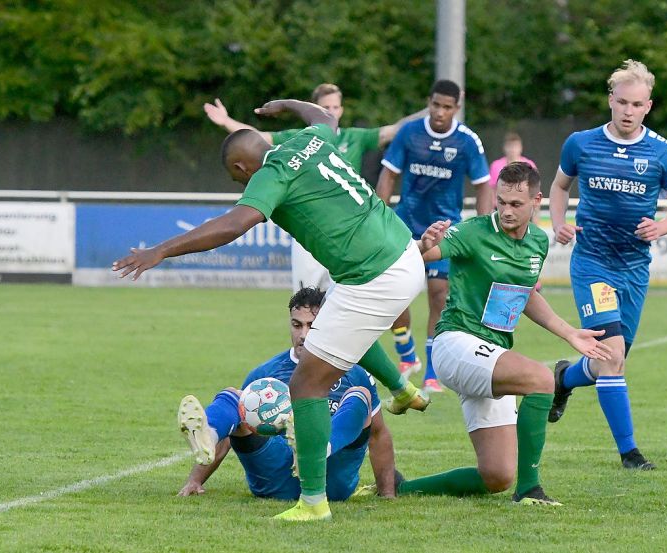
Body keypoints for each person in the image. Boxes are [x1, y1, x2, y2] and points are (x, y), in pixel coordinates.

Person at [114, 98, 430, 521]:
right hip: (403, 254)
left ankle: (314, 503)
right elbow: (325, 117)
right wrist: (289, 105)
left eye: (235, 179)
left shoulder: (269, 175)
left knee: (305, 386)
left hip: (375, 276)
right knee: (334, 328)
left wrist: (161, 250)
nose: (240, 186)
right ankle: (403, 389)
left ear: (244, 170)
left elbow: (231, 225)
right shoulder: (310, 139)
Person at [364, 162, 612, 505]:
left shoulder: (538, 242)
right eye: (501, 202)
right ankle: (530, 491)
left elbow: (524, 295)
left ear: (536, 200)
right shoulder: (474, 231)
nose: (507, 211)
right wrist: (423, 245)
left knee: (496, 476)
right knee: (542, 379)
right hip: (456, 344)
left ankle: (400, 486)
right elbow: (425, 255)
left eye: (516, 204)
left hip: (491, 355)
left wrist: (569, 333)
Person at [205, 84, 429, 374]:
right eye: (328, 106)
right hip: (321, 237)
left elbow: (393, 130)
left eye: (337, 106)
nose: (333, 111)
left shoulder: (353, 137)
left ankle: (399, 358)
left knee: (333, 334)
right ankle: (394, 379)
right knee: (315, 309)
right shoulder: (301, 137)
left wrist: (429, 114)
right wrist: (227, 122)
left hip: (352, 235)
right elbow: (252, 142)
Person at [548, 59, 667, 470]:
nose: (628, 111)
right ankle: (630, 453)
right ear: (610, 100)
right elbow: (559, 186)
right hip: (593, 264)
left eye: (637, 104)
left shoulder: (662, 153)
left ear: (649, 106)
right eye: (622, 102)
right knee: (611, 356)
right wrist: (559, 224)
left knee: (611, 360)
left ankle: (563, 379)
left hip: (634, 268)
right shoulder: (581, 143)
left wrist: (660, 228)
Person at [177, 287, 398, 501]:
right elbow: (232, 433)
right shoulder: (265, 374)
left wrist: (387, 493)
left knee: (360, 396)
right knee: (235, 397)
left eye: (312, 325)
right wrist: (195, 480)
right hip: (276, 476)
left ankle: (319, 450)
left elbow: (378, 435)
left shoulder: (355, 373)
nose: (303, 334)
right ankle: (209, 433)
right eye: (296, 325)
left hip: (332, 479)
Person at [376, 79, 494, 393]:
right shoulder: (409, 133)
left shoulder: (468, 141)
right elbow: (388, 175)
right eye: (435, 105)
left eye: (447, 107)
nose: (440, 112)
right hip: (405, 226)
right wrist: (378, 216)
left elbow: (484, 184)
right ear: (428, 102)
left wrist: (482, 228)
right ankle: (406, 353)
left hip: (445, 230)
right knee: (395, 293)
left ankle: (431, 372)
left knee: (439, 294)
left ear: (457, 107)